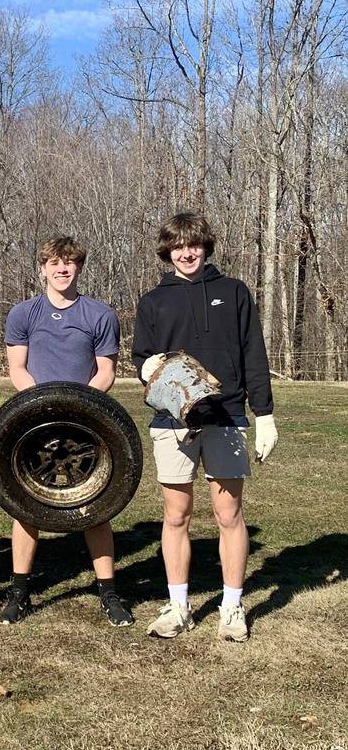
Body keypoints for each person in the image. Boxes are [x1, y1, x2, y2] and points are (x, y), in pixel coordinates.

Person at [132, 211, 278, 642]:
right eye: (178, 246)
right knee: (176, 514)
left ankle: (232, 607)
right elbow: (142, 359)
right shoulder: (153, 301)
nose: (187, 253)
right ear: (167, 252)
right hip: (173, 422)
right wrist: (147, 368)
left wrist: (264, 414)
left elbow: (253, 353)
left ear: (205, 247)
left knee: (228, 513)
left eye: (193, 245)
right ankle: (178, 606)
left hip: (226, 416)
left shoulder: (233, 292)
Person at [1, 237, 134, 626]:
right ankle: (19, 592)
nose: (62, 269)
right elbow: (17, 369)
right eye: (55, 263)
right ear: (42, 268)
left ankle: (109, 593)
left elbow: (106, 371)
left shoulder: (100, 315)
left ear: (79, 267)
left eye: (70, 263)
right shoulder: (23, 314)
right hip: (34, 423)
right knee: (25, 507)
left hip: (85, 424)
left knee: (97, 506)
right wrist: (43, 405)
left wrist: (78, 406)